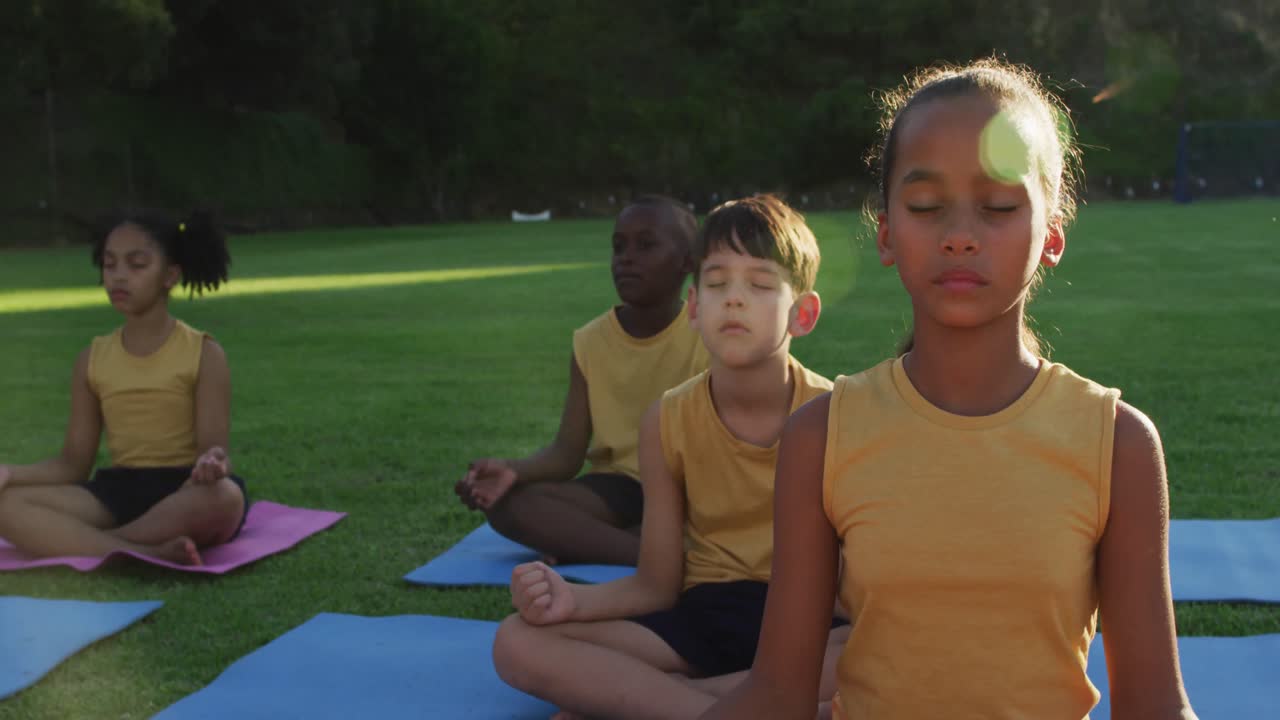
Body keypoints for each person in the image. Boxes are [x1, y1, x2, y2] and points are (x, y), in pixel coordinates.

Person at [702, 59, 1197, 719]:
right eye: (927, 206)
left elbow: (1156, 709)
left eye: (998, 206)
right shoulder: (822, 435)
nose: (960, 237)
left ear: (1052, 234)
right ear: (885, 231)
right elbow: (778, 692)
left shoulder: (1118, 445)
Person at [492, 194, 836, 719]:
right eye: (718, 284)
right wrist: (571, 601)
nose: (735, 300)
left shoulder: (836, 413)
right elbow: (656, 583)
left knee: (894, 639)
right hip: (703, 616)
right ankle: (755, 706)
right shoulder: (667, 420)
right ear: (695, 307)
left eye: (760, 285)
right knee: (516, 641)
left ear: (803, 313)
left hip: (810, 624)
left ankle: (653, 702)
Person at [456, 196, 708, 566]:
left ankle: (597, 543)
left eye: (646, 245)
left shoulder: (709, 336)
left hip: (689, 490)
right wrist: (512, 469)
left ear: (688, 262)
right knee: (508, 504)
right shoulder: (590, 342)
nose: (626, 257)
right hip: (618, 488)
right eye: (618, 247)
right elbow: (566, 453)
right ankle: (654, 555)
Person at [0, 210, 247, 566]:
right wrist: (10, 473)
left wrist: (213, 463)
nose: (118, 276)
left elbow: (213, 450)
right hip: (118, 491)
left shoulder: (205, 353)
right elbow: (72, 465)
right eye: (109, 264)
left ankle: (87, 543)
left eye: (136, 265)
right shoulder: (92, 359)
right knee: (6, 505)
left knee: (224, 498)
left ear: (171, 275)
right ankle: (143, 552)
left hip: (184, 489)